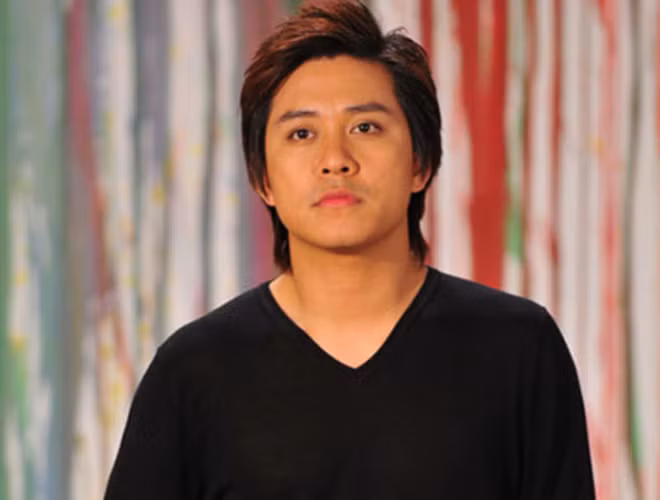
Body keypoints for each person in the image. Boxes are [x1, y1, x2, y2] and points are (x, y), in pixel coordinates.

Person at [104, 1, 596, 498]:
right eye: (302, 133)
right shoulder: (194, 371)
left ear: (420, 164)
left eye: (365, 127)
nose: (335, 160)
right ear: (263, 179)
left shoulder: (518, 349)